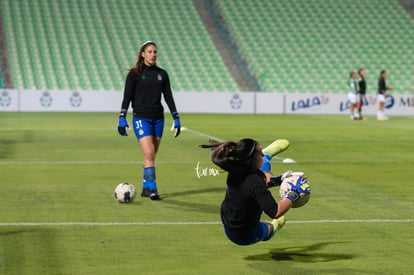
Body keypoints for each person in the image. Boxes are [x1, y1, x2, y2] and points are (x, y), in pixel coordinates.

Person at [200, 138, 310, 246]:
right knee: (268, 230)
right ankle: (274, 227)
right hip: (242, 235)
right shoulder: (254, 181)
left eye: (262, 153)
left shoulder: (236, 170)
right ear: (251, 159)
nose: (261, 155)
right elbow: (275, 212)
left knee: (265, 175)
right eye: (260, 153)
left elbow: (257, 187)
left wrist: (279, 179)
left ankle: (267, 158)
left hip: (229, 218)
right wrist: (293, 193)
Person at [117, 41, 181, 200]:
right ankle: (153, 189)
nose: (153, 54)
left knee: (151, 156)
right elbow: (127, 97)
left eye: (155, 52)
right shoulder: (134, 74)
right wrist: (122, 117)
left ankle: (146, 187)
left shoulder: (162, 74)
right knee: (149, 153)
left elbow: (168, 97)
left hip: (158, 119)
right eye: (150, 52)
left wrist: (176, 117)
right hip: (141, 118)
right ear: (142, 54)